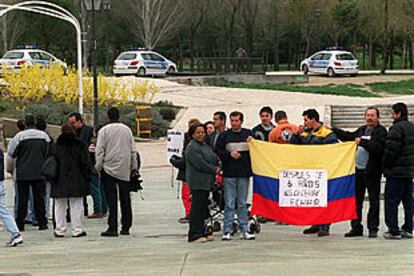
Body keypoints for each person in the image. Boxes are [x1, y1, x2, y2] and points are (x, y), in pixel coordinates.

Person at [332, 107, 387, 238]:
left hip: (372, 172)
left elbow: (378, 148)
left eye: (372, 115)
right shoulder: (361, 130)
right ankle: (356, 227)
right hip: (358, 171)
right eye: (368, 115)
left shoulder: (381, 131)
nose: (370, 118)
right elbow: (348, 137)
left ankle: (373, 228)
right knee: (356, 201)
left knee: (374, 201)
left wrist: (362, 142)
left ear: (378, 117)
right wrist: (334, 130)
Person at [291, 109, 338, 237]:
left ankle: (325, 225)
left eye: (306, 120)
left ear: (313, 119)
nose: (304, 123)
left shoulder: (327, 133)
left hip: (323, 170)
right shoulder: (304, 133)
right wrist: (296, 134)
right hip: (309, 170)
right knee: (313, 198)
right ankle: (315, 223)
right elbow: (292, 146)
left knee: (324, 198)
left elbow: (332, 150)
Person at [95, 107, 138, 237]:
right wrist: (133, 167)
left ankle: (112, 226)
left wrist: (98, 166)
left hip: (108, 168)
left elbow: (100, 150)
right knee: (125, 199)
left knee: (111, 200)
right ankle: (126, 226)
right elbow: (133, 150)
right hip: (125, 169)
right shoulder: (127, 130)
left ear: (108, 117)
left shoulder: (104, 131)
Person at [216, 111, 255, 241]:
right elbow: (217, 151)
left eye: (236, 121)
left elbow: (258, 149)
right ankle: (227, 230)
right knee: (229, 203)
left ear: (241, 121)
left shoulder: (248, 134)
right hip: (229, 174)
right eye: (232, 121)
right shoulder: (224, 136)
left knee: (242, 203)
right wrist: (229, 155)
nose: (234, 123)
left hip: (244, 174)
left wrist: (253, 142)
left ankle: (244, 229)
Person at [7, 114, 50, 231]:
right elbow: (49, 152)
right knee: (39, 199)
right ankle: (42, 222)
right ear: (35, 122)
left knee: (22, 200)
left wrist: (10, 170)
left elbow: (11, 153)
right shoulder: (44, 136)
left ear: (25, 123)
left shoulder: (19, 137)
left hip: (23, 173)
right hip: (40, 172)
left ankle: (20, 224)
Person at [51, 123, 92, 238]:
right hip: (77, 179)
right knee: (77, 205)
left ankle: (59, 229)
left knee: (59, 205)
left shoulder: (55, 146)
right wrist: (87, 176)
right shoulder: (80, 145)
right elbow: (85, 163)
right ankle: (77, 229)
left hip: (59, 179)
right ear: (73, 131)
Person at [382, 103, 414, 240]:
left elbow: (391, 151)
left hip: (396, 172)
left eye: (392, 113)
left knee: (391, 201)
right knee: (408, 202)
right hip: (409, 172)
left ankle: (393, 230)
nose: (391, 116)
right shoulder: (412, 127)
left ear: (398, 114)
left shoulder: (396, 128)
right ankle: (408, 228)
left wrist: (385, 165)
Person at [186, 123, 219, 243]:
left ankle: (202, 231)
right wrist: (214, 169)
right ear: (193, 134)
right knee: (197, 209)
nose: (201, 135)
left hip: (206, 182)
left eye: (202, 132)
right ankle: (194, 234)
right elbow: (200, 164)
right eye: (198, 133)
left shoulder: (204, 145)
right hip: (197, 182)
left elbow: (212, 157)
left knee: (203, 208)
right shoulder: (192, 147)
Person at [170, 118, 201, 224]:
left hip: (189, 173)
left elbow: (187, 159)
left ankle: (190, 214)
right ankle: (191, 213)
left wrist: (175, 161)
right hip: (190, 173)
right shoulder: (190, 140)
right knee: (189, 195)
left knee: (187, 194)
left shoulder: (191, 143)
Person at [69, 112, 94, 217]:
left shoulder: (87, 131)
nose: (72, 125)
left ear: (80, 121)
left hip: (86, 161)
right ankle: (83, 209)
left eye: (73, 122)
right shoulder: (73, 131)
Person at [0, 148, 24, 246]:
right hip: (0, 183)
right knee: (3, 210)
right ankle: (15, 233)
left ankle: (16, 234)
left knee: (3, 210)